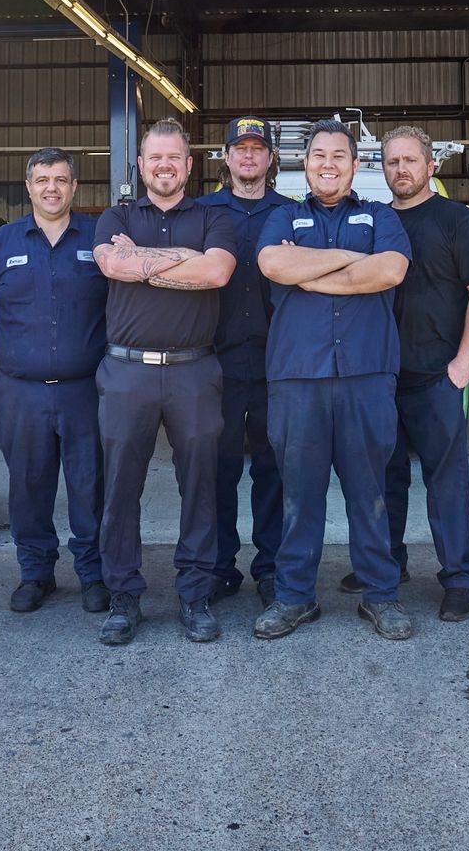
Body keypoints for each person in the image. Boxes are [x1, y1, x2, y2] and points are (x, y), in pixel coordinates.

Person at [254, 120, 414, 641]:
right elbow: (273, 262)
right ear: (305, 163)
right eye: (318, 155)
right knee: (299, 494)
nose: (328, 164)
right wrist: (351, 261)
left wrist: (310, 273)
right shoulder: (283, 216)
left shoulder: (381, 216)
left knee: (370, 492)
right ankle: (294, 596)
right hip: (297, 376)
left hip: (366, 373)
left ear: (355, 164)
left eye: (339, 155)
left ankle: (381, 595)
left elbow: (389, 271)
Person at [339, 125, 469, 622]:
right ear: (381, 169)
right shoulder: (375, 222)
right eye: (392, 162)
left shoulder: (456, 220)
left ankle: (459, 579)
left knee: (446, 483)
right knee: (384, 481)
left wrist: (464, 363)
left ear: (431, 166)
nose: (401, 169)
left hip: (437, 376)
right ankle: (388, 564)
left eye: (410, 160)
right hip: (381, 376)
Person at [91, 118, 238, 645]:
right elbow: (112, 265)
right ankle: (123, 596)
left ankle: (195, 594)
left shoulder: (214, 216)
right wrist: (183, 260)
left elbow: (216, 273)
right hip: (126, 372)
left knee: (200, 486)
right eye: (155, 157)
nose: (164, 166)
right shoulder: (116, 215)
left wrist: (143, 261)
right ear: (141, 164)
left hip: (193, 371)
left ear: (189, 164)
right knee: (119, 487)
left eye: (174, 157)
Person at [0, 146, 110, 616]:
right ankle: (35, 573)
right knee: (28, 486)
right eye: (42, 180)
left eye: (60, 180)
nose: (51, 188)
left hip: (86, 391)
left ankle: (94, 574)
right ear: (28, 187)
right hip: (22, 392)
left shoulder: (98, 238)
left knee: (90, 486)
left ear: (74, 187)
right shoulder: (2, 243)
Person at [195, 116, 295, 607]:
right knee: (220, 468)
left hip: (278, 362)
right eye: (241, 148)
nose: (249, 155)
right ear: (226, 156)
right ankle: (219, 567)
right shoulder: (202, 214)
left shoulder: (292, 213)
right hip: (218, 361)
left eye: (258, 148)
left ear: (270, 158)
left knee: (274, 468)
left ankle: (271, 568)